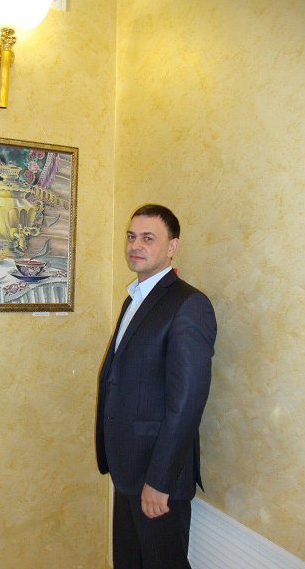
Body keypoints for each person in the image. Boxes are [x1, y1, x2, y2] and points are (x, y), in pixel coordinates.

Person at [95, 204, 217, 569]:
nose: (135, 245)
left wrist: (160, 481)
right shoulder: (135, 297)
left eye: (148, 238)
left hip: (157, 477)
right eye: (131, 236)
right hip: (128, 467)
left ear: (172, 247)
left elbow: (187, 402)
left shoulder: (189, 304)